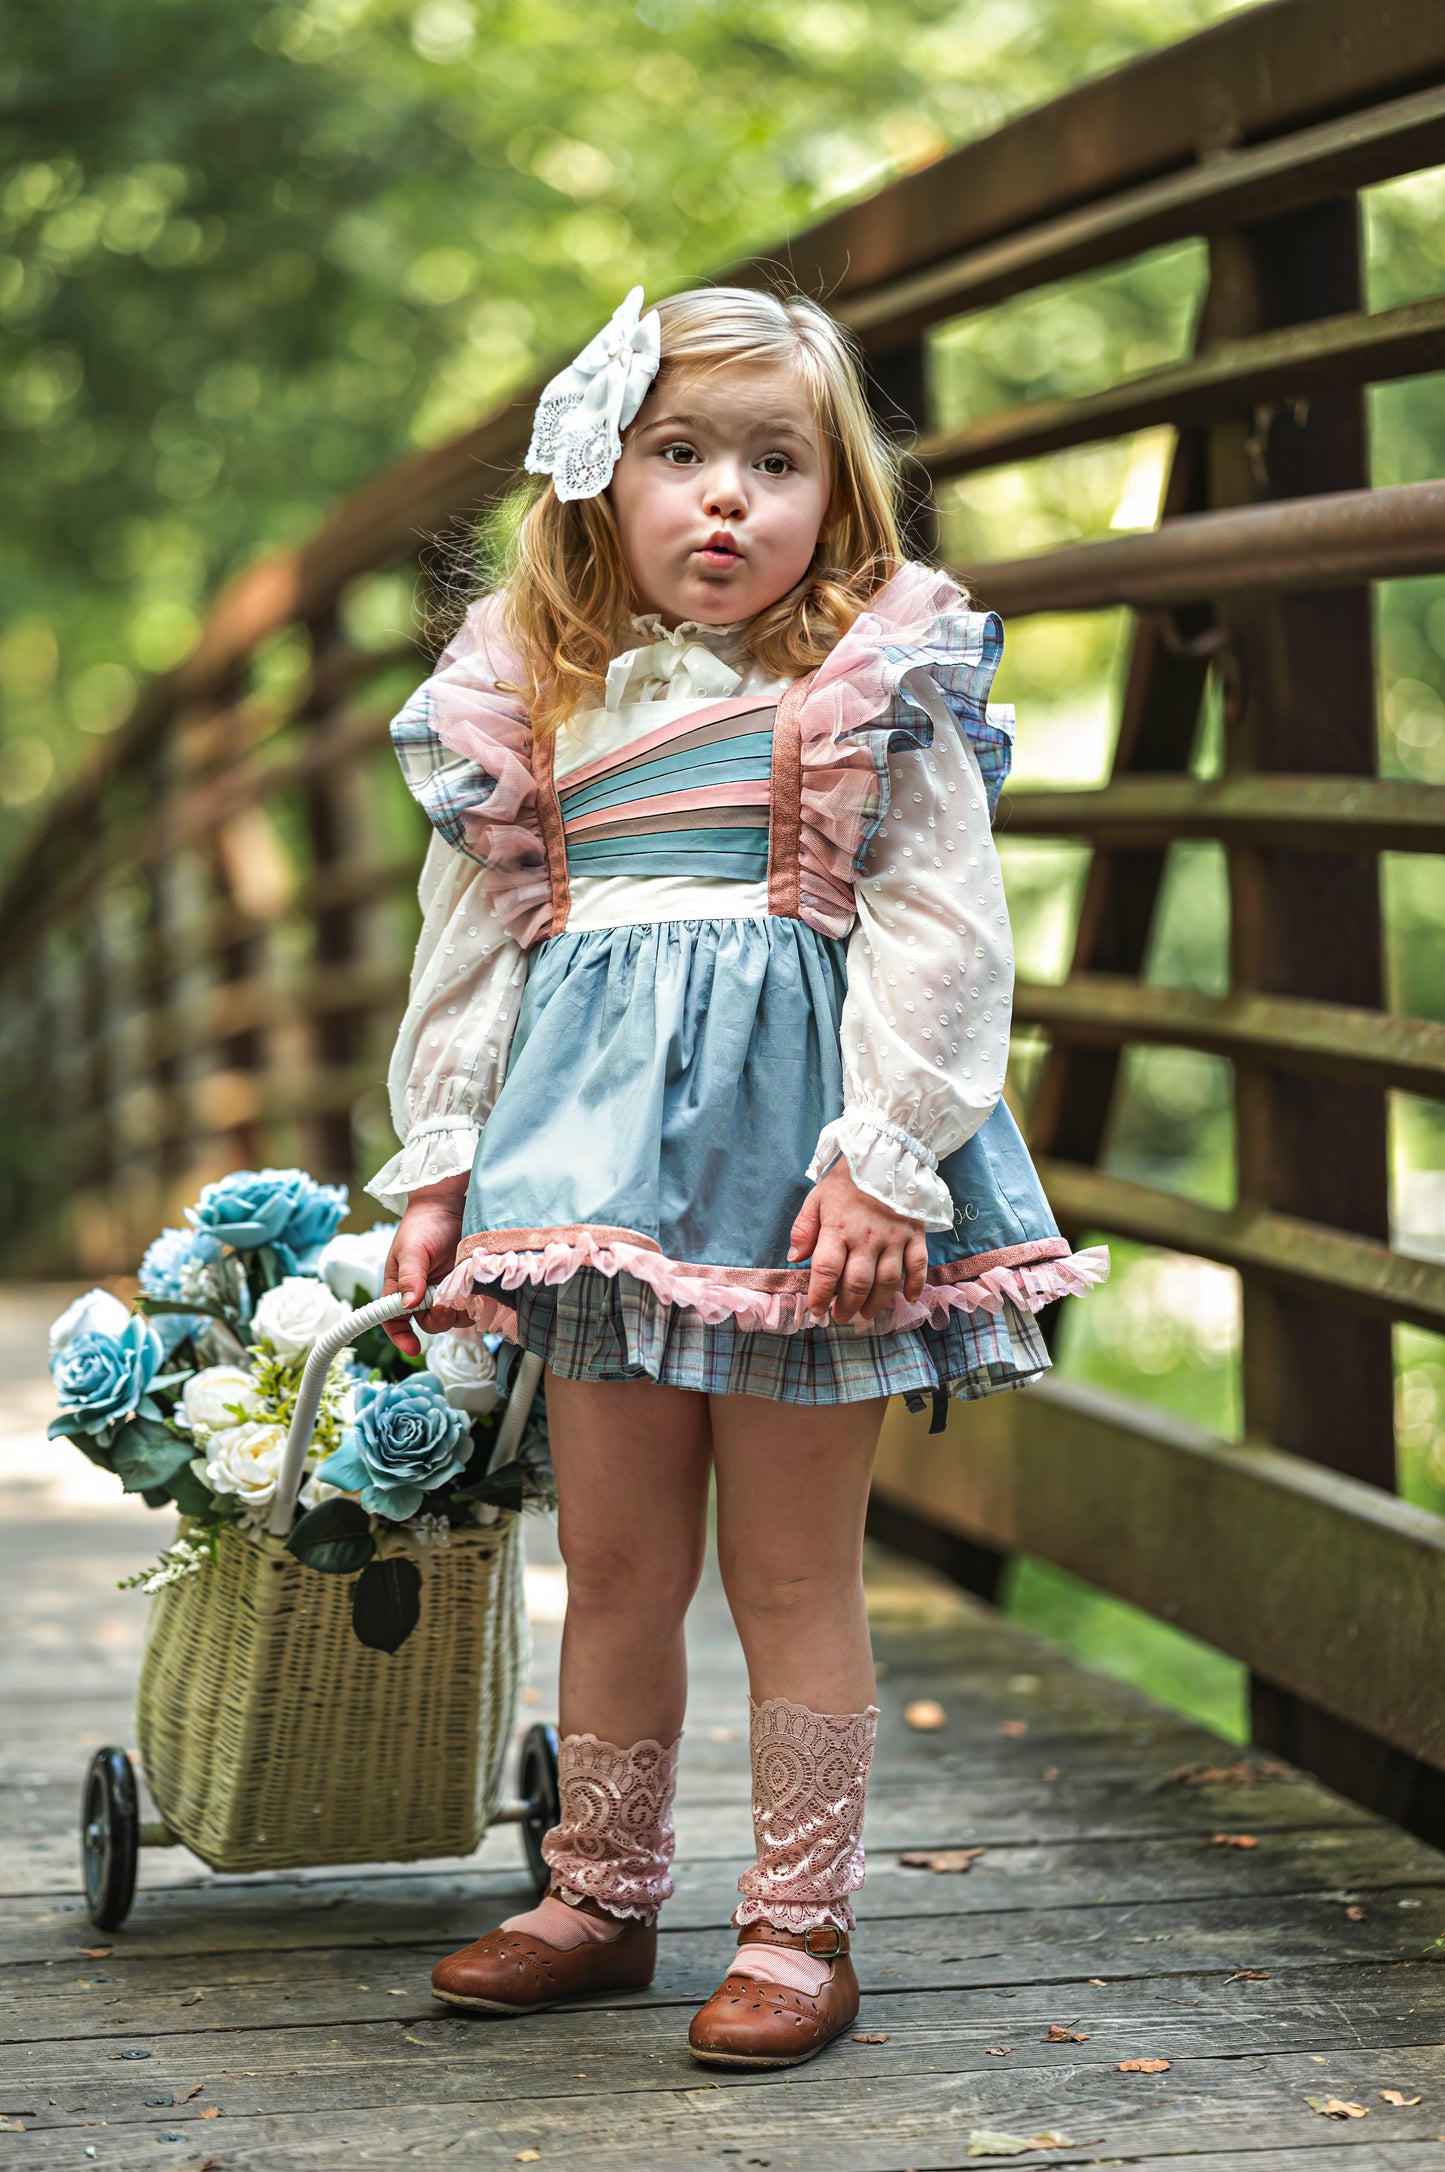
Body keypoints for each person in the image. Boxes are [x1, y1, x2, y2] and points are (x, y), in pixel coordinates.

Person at [365, 284, 1107, 2067]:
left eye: (773, 465)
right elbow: (468, 951)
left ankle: (796, 1923)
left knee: (791, 1568)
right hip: (593, 1186)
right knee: (615, 1559)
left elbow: (939, 929)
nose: (724, 500)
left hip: (802, 1200)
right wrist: (444, 1161)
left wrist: (884, 1158)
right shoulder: (535, 703)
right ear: (594, 486)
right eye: (678, 456)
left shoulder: (862, 685)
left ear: (833, 501)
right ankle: (601, 1891)